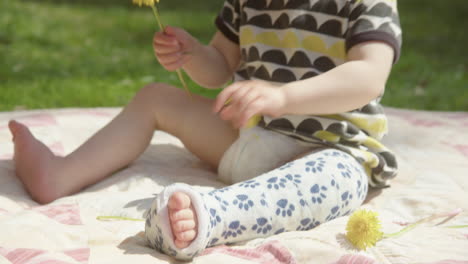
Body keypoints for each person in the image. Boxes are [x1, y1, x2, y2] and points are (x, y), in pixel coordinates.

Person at [9, 0, 401, 260]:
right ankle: (58, 173)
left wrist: (283, 97)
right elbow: (221, 67)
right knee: (155, 98)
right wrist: (195, 55)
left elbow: (368, 77)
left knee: (340, 179)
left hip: (331, 149)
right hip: (250, 137)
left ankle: (212, 216)